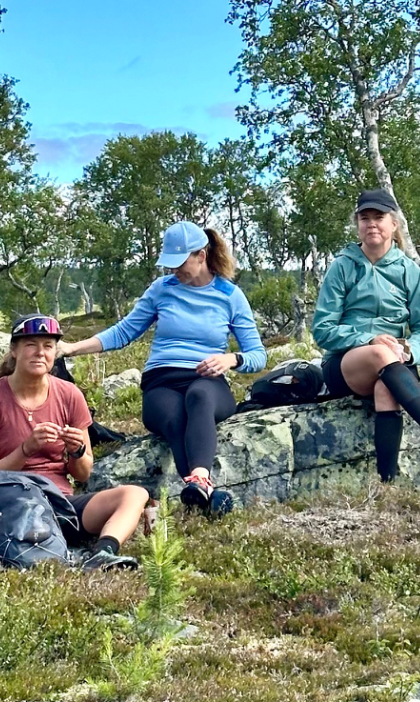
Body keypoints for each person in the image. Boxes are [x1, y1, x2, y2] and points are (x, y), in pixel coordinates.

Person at [57, 221, 265, 517]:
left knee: (199, 398)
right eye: (169, 264)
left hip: (208, 380)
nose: (174, 271)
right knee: (173, 417)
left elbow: (257, 355)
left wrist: (231, 359)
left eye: (179, 263)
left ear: (201, 255)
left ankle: (200, 481)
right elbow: (123, 332)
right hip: (161, 381)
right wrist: (71, 348)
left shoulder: (230, 295)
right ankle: (204, 488)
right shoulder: (161, 289)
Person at [0, 315, 150, 575]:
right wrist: (26, 450)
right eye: (31, 344)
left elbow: (83, 473)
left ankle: (103, 553)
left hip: (59, 505)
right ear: (14, 350)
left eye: (48, 346)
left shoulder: (70, 395)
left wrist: (77, 451)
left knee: (135, 494)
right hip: (2, 503)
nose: (40, 353)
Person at [312, 189, 420, 482]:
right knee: (381, 352)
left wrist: (408, 350)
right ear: (357, 224)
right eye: (364, 218)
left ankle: (387, 482)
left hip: (394, 364)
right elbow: (323, 329)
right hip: (346, 366)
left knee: (386, 389)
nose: (371, 224)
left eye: (378, 217)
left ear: (393, 224)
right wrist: (368, 339)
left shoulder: (408, 270)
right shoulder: (342, 267)